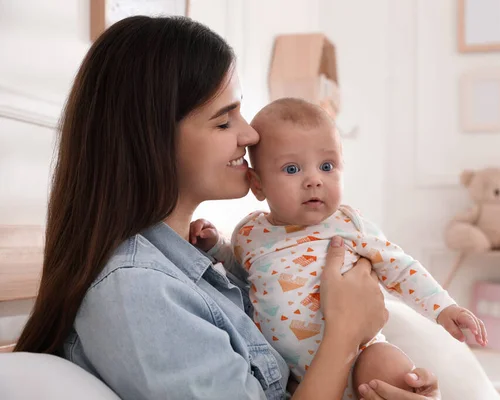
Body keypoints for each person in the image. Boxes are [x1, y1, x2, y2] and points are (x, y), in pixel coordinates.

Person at [14, 15, 443, 400]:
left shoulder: (204, 264)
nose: (251, 135)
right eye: (224, 121)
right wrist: (345, 335)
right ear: (153, 140)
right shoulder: (137, 292)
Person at [190, 98, 488, 398]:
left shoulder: (348, 224)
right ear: (258, 184)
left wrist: (444, 308)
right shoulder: (250, 232)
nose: (314, 180)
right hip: (291, 375)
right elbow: (240, 272)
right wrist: (215, 247)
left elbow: (400, 267)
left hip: (362, 357)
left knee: (389, 366)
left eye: (327, 166)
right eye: (292, 169)